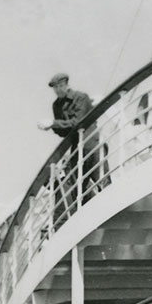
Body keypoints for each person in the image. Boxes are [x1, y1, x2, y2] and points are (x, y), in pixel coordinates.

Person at [39, 72, 100, 225]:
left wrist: (53, 124)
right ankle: (79, 216)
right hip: (76, 145)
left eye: (60, 86)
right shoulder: (57, 105)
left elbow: (78, 122)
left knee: (100, 174)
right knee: (76, 180)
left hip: (90, 141)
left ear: (66, 85)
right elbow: (64, 132)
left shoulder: (81, 98)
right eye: (55, 88)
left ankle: (112, 204)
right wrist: (52, 127)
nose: (58, 90)